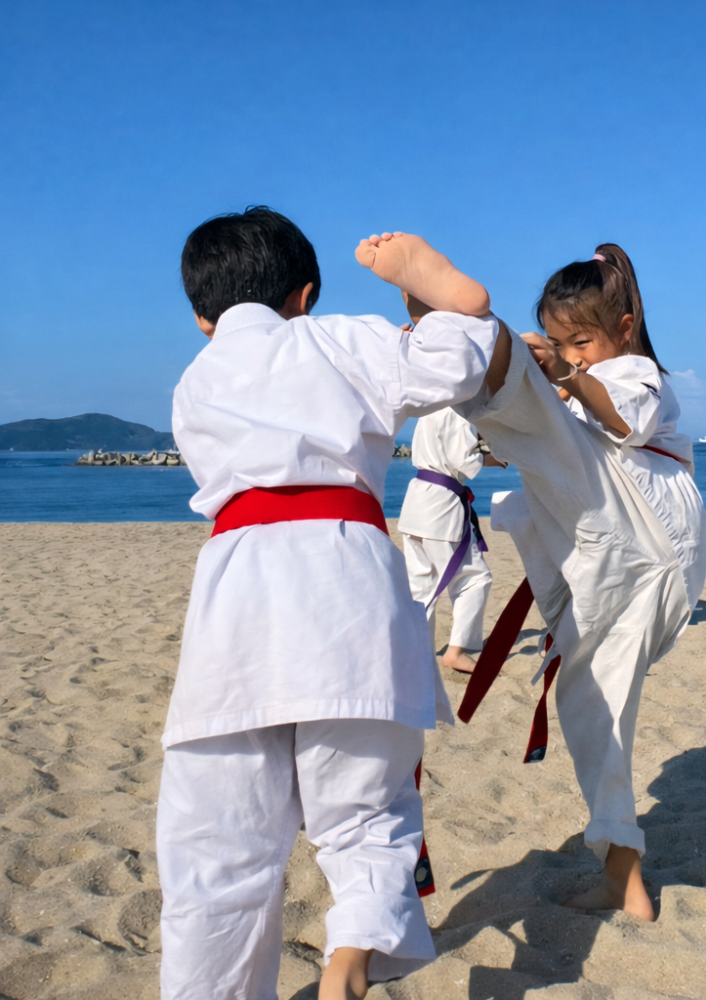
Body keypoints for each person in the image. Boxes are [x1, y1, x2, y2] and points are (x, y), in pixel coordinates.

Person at [157, 210, 502, 1000]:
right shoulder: (343, 340)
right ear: (304, 295)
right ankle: (349, 961)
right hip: (348, 581)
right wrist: (453, 306)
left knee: (217, 846)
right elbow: (460, 363)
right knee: (365, 815)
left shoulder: (196, 382)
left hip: (238, 594)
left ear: (203, 317)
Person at [364, 238, 706, 923]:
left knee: (537, 411)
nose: (574, 354)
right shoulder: (590, 380)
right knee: (592, 706)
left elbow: (620, 418)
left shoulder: (636, 373)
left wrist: (564, 377)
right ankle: (624, 875)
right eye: (562, 342)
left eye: (582, 342)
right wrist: (552, 388)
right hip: (621, 562)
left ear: (625, 329)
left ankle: (466, 328)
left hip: (647, 524)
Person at [398, 397, 496, 675]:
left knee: (422, 585)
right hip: (440, 506)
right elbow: (464, 461)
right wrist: (498, 458)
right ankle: (456, 652)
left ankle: (420, 651)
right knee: (474, 578)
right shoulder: (458, 411)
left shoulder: (430, 409)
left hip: (416, 500)